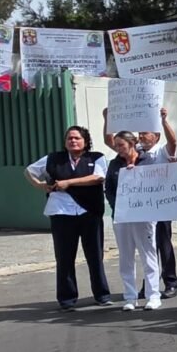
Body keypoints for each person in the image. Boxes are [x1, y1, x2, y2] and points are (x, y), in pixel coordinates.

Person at [24, 126, 112, 311]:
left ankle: (102, 295)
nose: (73, 141)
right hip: (61, 212)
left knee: (95, 256)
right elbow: (29, 171)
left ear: (85, 141)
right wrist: (40, 185)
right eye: (69, 138)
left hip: (89, 212)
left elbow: (98, 178)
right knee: (64, 257)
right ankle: (67, 299)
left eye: (77, 138)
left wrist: (68, 182)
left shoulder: (96, 158)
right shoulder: (53, 159)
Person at [103, 107, 177, 299]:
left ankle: (171, 282)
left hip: (159, 205)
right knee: (146, 250)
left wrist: (164, 120)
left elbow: (174, 141)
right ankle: (148, 287)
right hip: (136, 210)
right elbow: (111, 142)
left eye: (145, 133)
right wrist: (107, 119)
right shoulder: (133, 153)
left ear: (156, 136)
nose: (141, 136)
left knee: (162, 245)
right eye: (139, 134)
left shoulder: (160, 152)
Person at [105, 131, 164, 311]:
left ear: (132, 143)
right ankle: (130, 297)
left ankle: (153, 295)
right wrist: (120, 207)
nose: (118, 149)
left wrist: (136, 174)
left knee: (148, 255)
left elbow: (157, 184)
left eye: (121, 145)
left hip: (143, 215)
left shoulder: (149, 161)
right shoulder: (115, 164)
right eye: (116, 145)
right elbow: (109, 189)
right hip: (122, 217)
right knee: (126, 257)